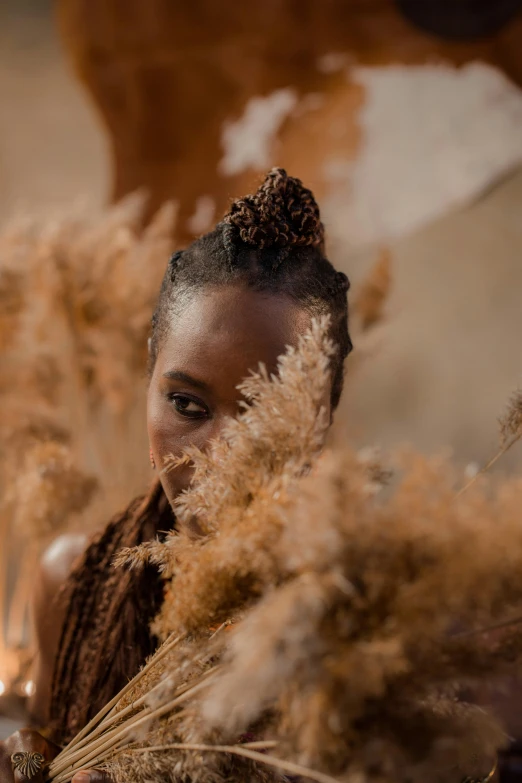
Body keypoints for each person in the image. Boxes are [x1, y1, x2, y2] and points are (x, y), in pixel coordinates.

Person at [0, 169, 352, 783]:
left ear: (324, 416)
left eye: (266, 414)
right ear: (149, 374)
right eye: (187, 405)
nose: (218, 454)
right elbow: (39, 739)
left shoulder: (369, 623)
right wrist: (30, 766)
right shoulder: (73, 583)